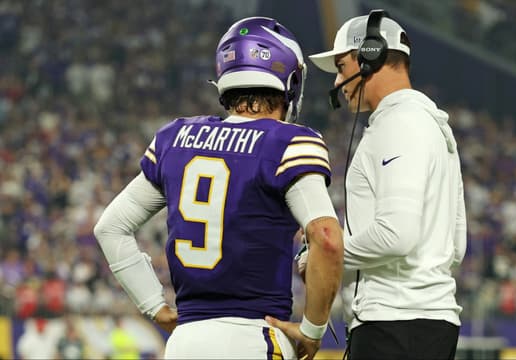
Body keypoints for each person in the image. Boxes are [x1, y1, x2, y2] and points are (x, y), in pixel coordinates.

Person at [94, 16, 343, 360]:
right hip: (254, 336)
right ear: (289, 79)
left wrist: (154, 306)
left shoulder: (176, 137)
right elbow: (327, 238)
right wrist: (312, 331)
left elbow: (110, 228)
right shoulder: (288, 142)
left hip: (185, 342)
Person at [303, 9, 466, 360]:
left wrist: (325, 253)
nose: (336, 83)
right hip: (421, 323)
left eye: (342, 67)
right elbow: (457, 245)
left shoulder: (399, 124)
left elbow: (396, 234)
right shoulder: (429, 124)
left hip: (396, 324)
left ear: (369, 56)